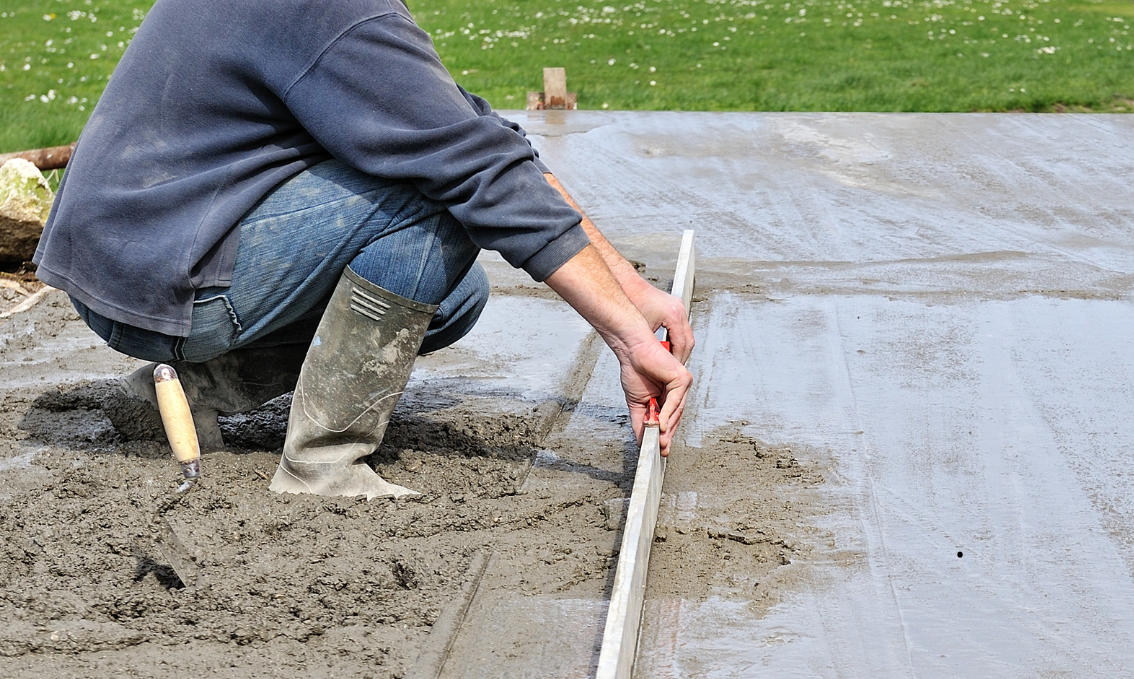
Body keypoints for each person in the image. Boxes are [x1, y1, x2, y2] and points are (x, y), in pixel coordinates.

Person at [34, 0, 692, 498]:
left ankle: (184, 388)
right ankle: (323, 463)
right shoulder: (332, 10)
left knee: (452, 297)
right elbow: (474, 171)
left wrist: (631, 293)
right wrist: (629, 341)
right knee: (436, 201)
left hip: (133, 257)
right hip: (163, 278)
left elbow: (479, 133)